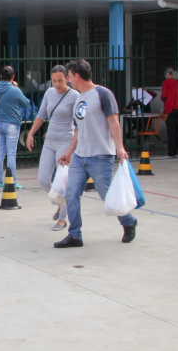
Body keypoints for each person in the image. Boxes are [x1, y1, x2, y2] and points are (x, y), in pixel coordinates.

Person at [54, 59, 138, 248]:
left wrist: (119, 148)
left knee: (107, 195)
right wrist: (69, 152)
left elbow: (113, 121)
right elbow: (78, 129)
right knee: (71, 193)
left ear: (77, 76)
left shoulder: (102, 94)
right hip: (80, 156)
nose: (67, 80)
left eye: (68, 76)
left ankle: (128, 221)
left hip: (100, 156)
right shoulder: (78, 98)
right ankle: (75, 234)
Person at [25, 65, 79, 230]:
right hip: (49, 141)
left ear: (67, 79)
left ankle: (63, 218)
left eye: (60, 80)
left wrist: (73, 147)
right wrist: (30, 133)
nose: (57, 84)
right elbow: (41, 115)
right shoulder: (49, 93)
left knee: (61, 182)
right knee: (43, 179)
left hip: (65, 142)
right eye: (54, 80)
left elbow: (79, 123)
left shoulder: (74, 96)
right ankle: (59, 202)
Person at [0, 66, 31, 190]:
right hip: (12, 123)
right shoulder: (14, 90)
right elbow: (26, 103)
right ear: (13, 77)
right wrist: (16, 87)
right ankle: (12, 181)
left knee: (0, 153)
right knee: (11, 153)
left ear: (0, 76)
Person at [161, 67, 178, 157]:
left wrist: (164, 99)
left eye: (165, 74)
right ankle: (176, 151)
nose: (165, 76)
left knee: (170, 132)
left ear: (169, 74)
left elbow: (163, 95)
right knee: (176, 131)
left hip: (170, 109)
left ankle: (171, 152)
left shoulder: (166, 82)